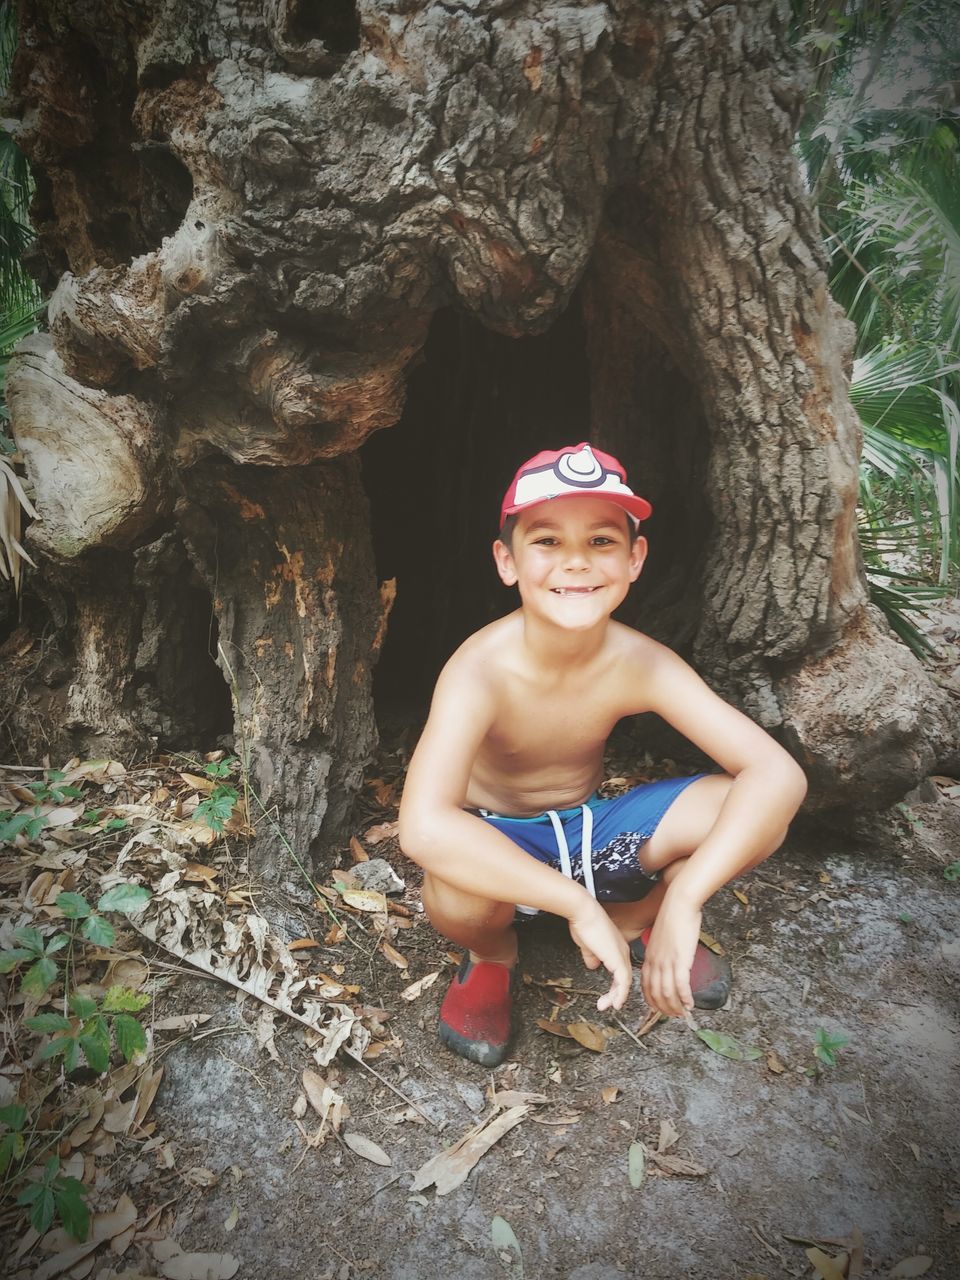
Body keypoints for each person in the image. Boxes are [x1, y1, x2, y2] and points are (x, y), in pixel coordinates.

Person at [398, 442, 808, 1066]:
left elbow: (776, 774)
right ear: (506, 561)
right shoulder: (480, 670)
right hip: (498, 841)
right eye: (546, 541)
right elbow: (424, 825)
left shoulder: (639, 661)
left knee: (750, 809)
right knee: (458, 894)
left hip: (590, 832)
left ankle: (642, 917)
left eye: (600, 541)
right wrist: (574, 904)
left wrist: (687, 897)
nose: (575, 564)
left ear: (634, 557)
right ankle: (492, 956)